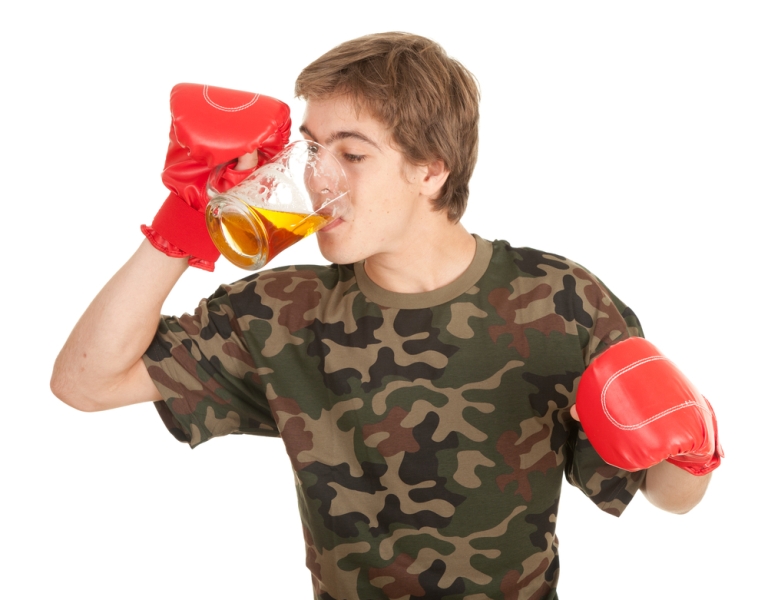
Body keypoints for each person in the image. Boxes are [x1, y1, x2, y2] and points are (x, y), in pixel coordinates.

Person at [51, 32, 720, 600]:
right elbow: (85, 382)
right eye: (311, 150)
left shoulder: (559, 300)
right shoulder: (281, 313)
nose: (318, 179)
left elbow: (671, 497)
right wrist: (185, 216)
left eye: (351, 154)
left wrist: (694, 447)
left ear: (431, 170)